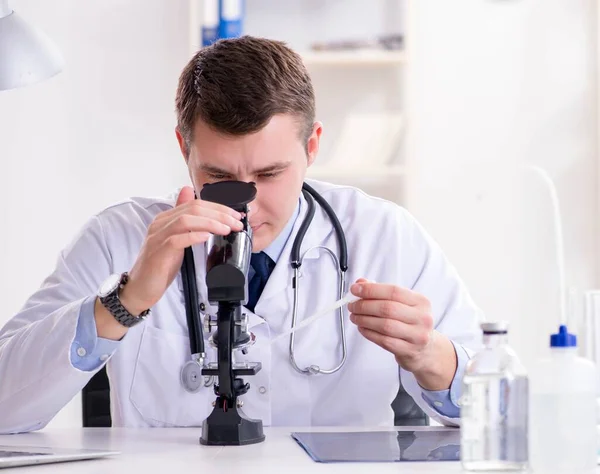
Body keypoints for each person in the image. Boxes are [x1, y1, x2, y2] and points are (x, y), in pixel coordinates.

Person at [0, 36, 483, 434]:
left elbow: (495, 412)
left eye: (270, 174)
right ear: (182, 148)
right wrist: (126, 301)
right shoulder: (118, 237)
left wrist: (431, 355)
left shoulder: (384, 234)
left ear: (312, 146)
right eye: (219, 178)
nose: (246, 203)